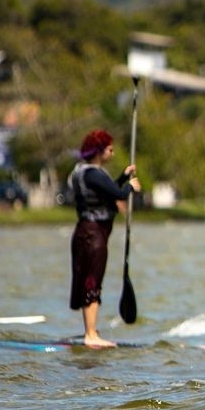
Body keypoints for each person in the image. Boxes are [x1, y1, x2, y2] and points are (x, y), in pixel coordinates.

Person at [69, 129, 139, 348]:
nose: (113, 151)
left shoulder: (84, 172)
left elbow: (108, 190)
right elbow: (118, 194)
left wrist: (122, 177)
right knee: (92, 283)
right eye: (109, 148)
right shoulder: (92, 173)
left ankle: (90, 331)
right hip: (93, 236)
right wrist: (130, 187)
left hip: (86, 233)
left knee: (88, 282)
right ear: (99, 151)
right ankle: (91, 335)